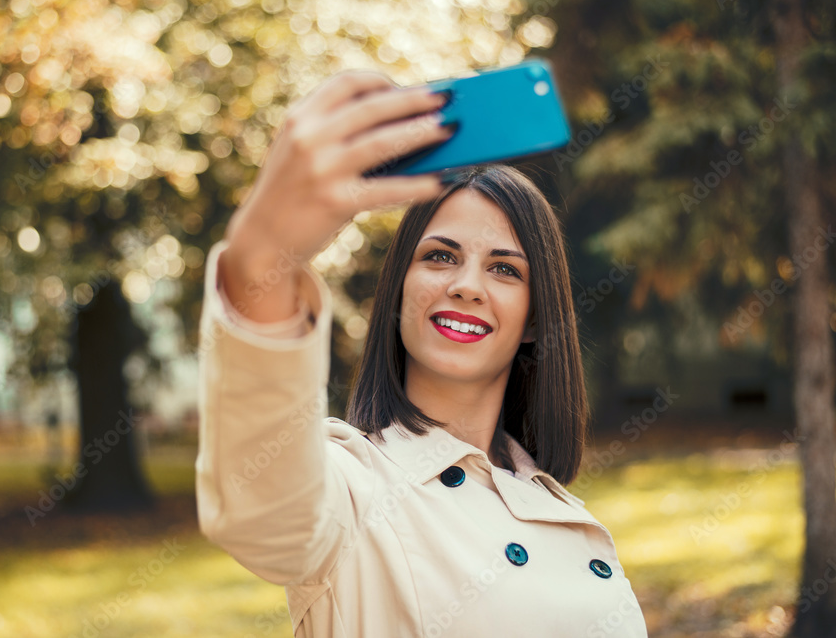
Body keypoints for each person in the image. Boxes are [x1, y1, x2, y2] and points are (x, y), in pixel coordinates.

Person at [196, 70, 648, 637]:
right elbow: (260, 512)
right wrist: (264, 259)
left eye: (505, 268)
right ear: (399, 289)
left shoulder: (567, 517)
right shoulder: (352, 489)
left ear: (535, 320)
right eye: (439, 256)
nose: (467, 284)